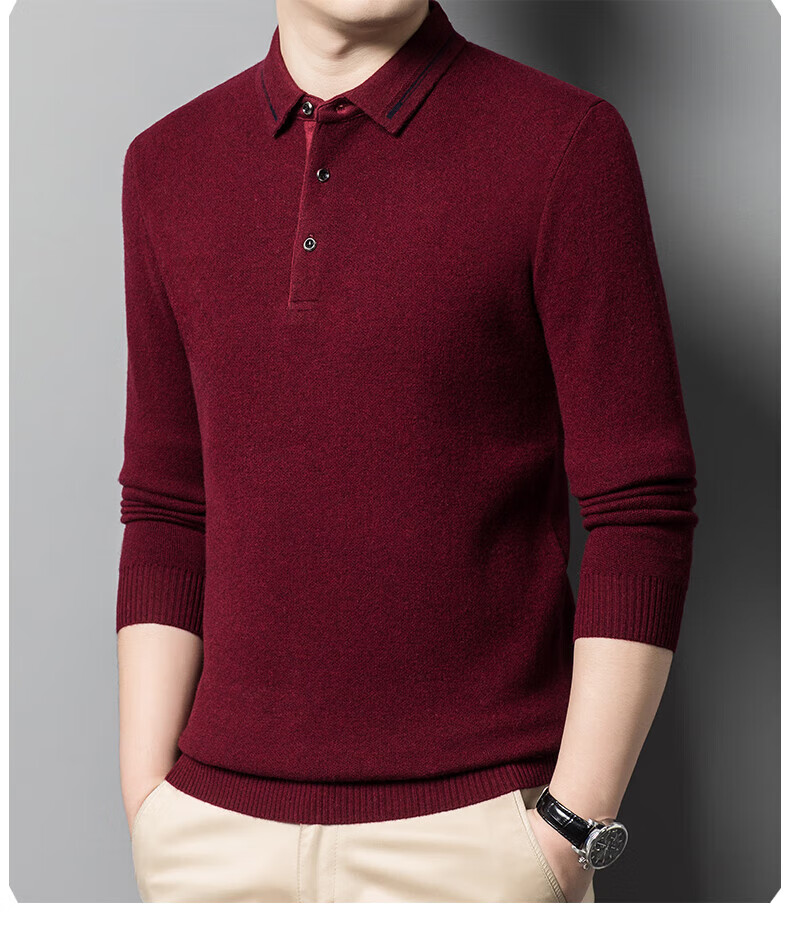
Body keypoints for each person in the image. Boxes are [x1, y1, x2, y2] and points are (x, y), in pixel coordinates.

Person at [116, 0, 698, 903]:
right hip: (213, 842)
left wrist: (568, 828)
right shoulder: (167, 163)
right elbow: (166, 504)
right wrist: (151, 805)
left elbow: (642, 503)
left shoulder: (563, 142)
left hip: (477, 843)